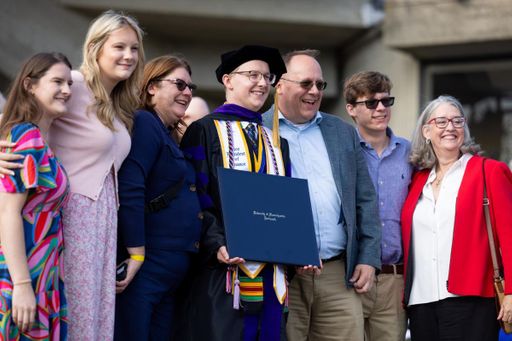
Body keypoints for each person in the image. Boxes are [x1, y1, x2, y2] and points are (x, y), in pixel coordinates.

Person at [0, 10, 145, 339]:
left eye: (134, 48)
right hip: (70, 215)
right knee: (74, 318)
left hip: (103, 221)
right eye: (119, 46)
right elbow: (13, 115)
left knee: (93, 317)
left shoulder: (115, 102)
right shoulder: (73, 83)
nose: (129, 56)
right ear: (95, 48)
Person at [262, 49, 381, 340]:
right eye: (306, 83)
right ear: (279, 85)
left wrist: (368, 257)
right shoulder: (257, 129)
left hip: (338, 274)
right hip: (283, 275)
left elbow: (364, 198)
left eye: (320, 84)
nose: (315, 91)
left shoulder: (341, 132)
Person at [177, 45, 291, 341]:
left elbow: (286, 204)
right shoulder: (203, 130)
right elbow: (194, 195)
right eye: (252, 75)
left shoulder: (277, 142)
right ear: (228, 80)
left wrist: (297, 246)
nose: (263, 83)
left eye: (268, 77)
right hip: (222, 269)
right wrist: (216, 242)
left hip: (271, 273)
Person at [401, 95, 512, 341]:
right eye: (441, 121)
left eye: (457, 121)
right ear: (426, 131)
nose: (450, 127)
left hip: (472, 298)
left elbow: (510, 236)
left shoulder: (489, 171)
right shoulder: (417, 181)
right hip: (421, 301)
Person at [114, 55, 202, 340]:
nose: (187, 92)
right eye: (179, 84)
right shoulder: (145, 123)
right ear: (152, 87)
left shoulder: (166, 133)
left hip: (170, 273)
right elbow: (131, 189)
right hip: (147, 268)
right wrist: (136, 253)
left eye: (190, 86)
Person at [0, 52, 72, 340]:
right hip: (22, 274)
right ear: (30, 85)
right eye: (57, 81)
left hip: (44, 275)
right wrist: (21, 284)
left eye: (69, 83)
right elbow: (7, 212)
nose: (66, 90)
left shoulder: (40, 140)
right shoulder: (26, 136)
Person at [344, 71, 411, 341]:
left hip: (395, 280)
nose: (381, 108)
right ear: (351, 109)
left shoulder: (412, 152)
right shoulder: (343, 152)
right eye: (371, 103)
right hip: (350, 278)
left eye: (386, 101)